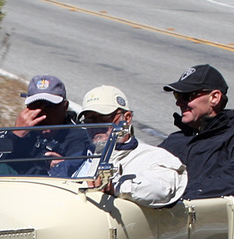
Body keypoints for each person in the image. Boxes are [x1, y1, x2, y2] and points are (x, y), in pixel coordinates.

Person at [50, 86, 185, 206]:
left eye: (104, 118)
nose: (97, 126)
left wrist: (115, 186)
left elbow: (162, 189)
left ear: (126, 118)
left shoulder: (153, 157)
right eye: (90, 119)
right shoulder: (78, 158)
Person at [159, 64, 234, 198]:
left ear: (214, 98)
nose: (179, 103)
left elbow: (233, 181)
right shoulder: (173, 141)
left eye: (187, 96)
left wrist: (176, 194)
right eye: (177, 95)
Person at [0, 74, 74, 174]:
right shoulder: (17, 135)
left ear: (65, 106)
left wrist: (65, 166)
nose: (42, 112)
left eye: (50, 105)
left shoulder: (79, 137)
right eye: (36, 105)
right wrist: (15, 135)